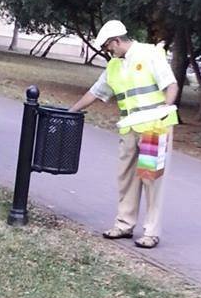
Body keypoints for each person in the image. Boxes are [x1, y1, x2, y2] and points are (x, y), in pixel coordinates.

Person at [69, 20, 179, 249]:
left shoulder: (150, 54)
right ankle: (124, 224)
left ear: (117, 41)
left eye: (108, 47)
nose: (107, 51)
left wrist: (163, 113)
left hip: (153, 128)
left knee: (151, 179)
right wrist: (71, 110)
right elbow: (95, 92)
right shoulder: (114, 66)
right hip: (129, 127)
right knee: (125, 177)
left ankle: (151, 232)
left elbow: (171, 86)